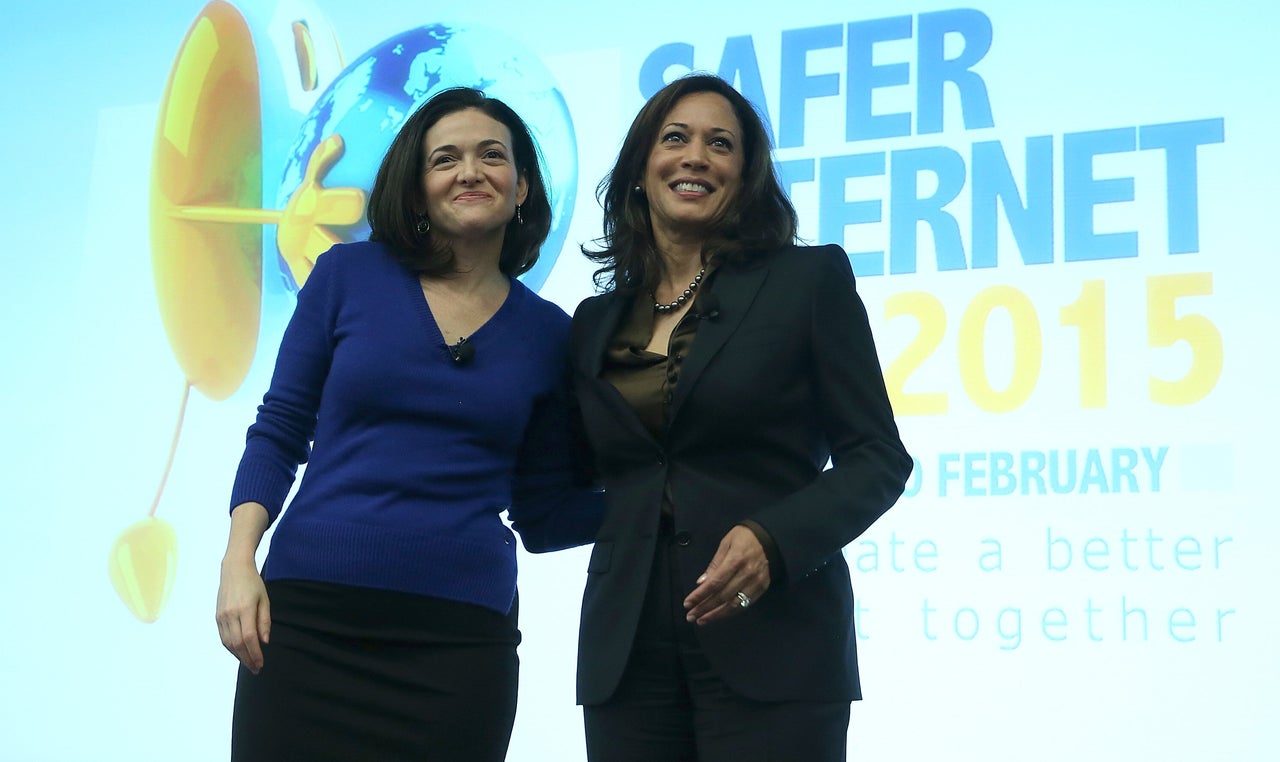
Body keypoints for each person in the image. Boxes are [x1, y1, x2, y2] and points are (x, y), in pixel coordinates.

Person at [215, 87, 602, 762]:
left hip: (459, 645)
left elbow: (543, 513)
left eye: (491, 155)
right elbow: (279, 429)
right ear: (418, 190)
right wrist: (238, 561)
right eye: (444, 158)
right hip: (307, 624)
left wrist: (666, 497)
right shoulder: (345, 276)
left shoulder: (550, 336)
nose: (470, 171)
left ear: (522, 189)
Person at [569, 73, 913, 761]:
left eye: (719, 144)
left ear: (745, 177)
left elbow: (878, 457)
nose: (696, 156)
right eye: (676, 139)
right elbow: (569, 478)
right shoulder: (591, 324)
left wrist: (773, 540)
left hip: (775, 637)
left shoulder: (806, 282)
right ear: (640, 170)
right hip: (626, 650)